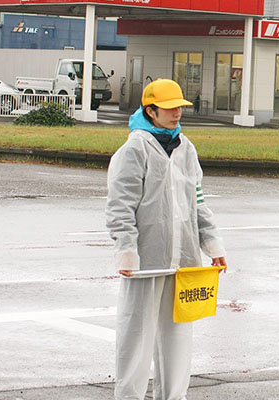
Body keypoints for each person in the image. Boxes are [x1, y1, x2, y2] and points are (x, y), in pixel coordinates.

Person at [105, 78, 227, 400]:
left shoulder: (186, 148)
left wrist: (212, 245)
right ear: (151, 110)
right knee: (136, 335)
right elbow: (121, 206)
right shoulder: (134, 149)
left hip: (182, 262)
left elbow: (197, 201)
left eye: (179, 108)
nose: (177, 114)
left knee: (177, 337)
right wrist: (127, 251)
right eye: (170, 108)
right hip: (145, 261)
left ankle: (174, 396)